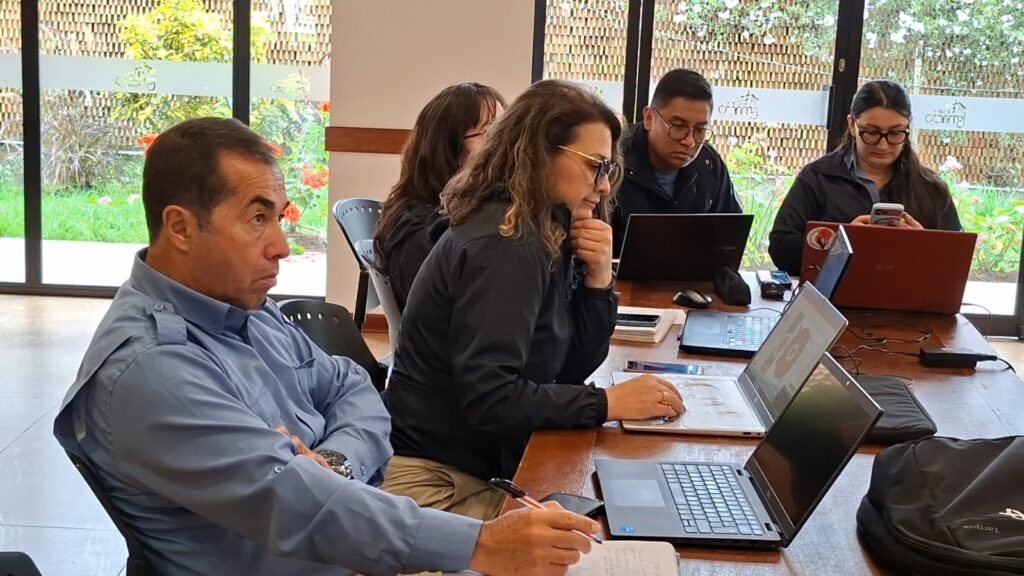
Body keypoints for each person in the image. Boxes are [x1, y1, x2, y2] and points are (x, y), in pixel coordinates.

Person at [52, 117, 602, 576]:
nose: (282, 247)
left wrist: (335, 461)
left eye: (279, 217)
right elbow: (298, 504)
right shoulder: (151, 367)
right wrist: (482, 545)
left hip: (357, 543)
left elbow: (354, 386)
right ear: (180, 227)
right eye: (257, 217)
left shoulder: (243, 311)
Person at [381, 80, 686, 520]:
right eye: (595, 166)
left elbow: (568, 367)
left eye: (608, 170)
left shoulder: (539, 228)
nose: (603, 188)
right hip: (438, 482)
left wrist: (599, 280)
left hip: (478, 466)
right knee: (602, 540)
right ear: (540, 152)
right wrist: (607, 405)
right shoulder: (506, 242)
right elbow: (491, 398)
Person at [768, 80, 962, 275]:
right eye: (871, 132)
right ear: (852, 125)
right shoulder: (818, 177)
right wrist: (840, 244)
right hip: (833, 300)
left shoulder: (931, 187)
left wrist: (924, 244)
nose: (883, 145)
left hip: (909, 299)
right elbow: (780, 249)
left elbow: (957, 260)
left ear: (908, 126)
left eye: (895, 133)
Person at [374, 82, 506, 310]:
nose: (502, 146)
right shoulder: (418, 233)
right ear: (446, 147)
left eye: (504, 132)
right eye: (488, 133)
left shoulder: (478, 211)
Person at [611, 68, 741, 256]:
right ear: (649, 118)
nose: (689, 141)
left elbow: (730, 233)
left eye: (700, 129)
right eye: (678, 126)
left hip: (691, 281)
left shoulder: (708, 163)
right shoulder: (614, 157)